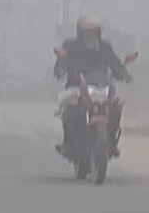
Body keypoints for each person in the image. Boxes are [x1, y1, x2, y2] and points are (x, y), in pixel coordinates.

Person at [53, 16, 132, 158]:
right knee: (69, 108)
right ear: (80, 34)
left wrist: (123, 73)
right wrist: (61, 69)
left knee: (116, 107)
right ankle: (68, 142)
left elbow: (115, 62)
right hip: (76, 86)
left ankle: (112, 142)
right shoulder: (71, 46)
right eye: (87, 34)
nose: (91, 36)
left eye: (94, 33)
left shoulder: (104, 47)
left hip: (101, 86)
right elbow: (61, 62)